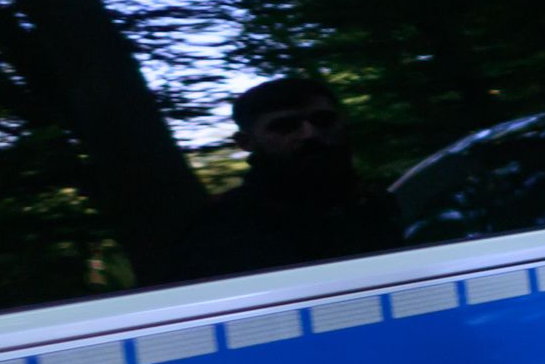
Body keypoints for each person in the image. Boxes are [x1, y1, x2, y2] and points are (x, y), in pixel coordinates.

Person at [163, 76, 402, 282]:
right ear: (246, 143)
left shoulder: (377, 204)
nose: (310, 134)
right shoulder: (222, 230)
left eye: (323, 121)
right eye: (284, 126)